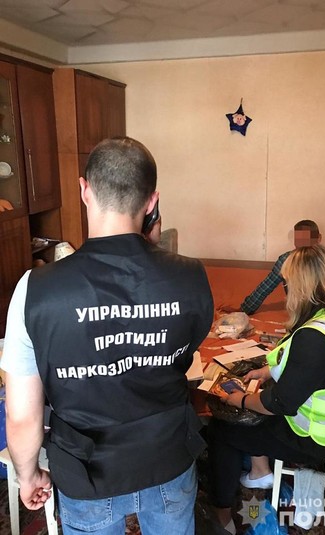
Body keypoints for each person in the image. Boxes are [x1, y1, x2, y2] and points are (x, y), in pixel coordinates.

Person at [1, 137, 214, 535]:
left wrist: (27, 475)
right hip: (167, 458)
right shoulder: (191, 276)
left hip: (88, 472)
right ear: (152, 202)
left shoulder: (35, 289)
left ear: (85, 191)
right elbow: (178, 354)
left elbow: (22, 415)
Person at [208, 245, 325, 533]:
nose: (285, 290)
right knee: (259, 401)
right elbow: (320, 366)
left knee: (222, 429)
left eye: (287, 283)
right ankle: (260, 470)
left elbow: (278, 404)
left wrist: (241, 400)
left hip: (321, 440)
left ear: (300, 286)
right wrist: (268, 370)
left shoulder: (314, 337)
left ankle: (221, 515)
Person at [240, 219, 321, 315]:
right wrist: (244, 309)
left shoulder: (324, 260)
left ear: (318, 239)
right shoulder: (286, 260)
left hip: (317, 310)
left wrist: (245, 309)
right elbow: (265, 288)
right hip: (303, 310)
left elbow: (265, 288)